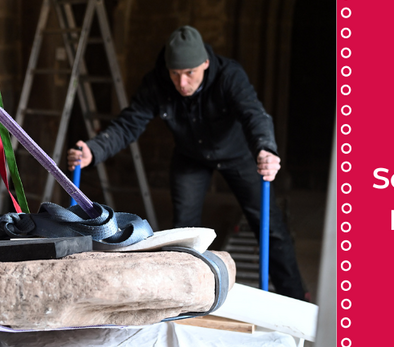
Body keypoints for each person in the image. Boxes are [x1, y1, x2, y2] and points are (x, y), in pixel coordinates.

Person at [67, 25, 306, 300]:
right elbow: (128, 125)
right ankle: (185, 301)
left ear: (205, 63)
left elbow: (254, 115)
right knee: (183, 231)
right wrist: (93, 150)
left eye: (190, 73)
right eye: (175, 74)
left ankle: (296, 298)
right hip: (190, 157)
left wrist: (265, 149)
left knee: (270, 226)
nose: (182, 84)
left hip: (237, 154)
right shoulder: (157, 82)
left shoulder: (230, 76)